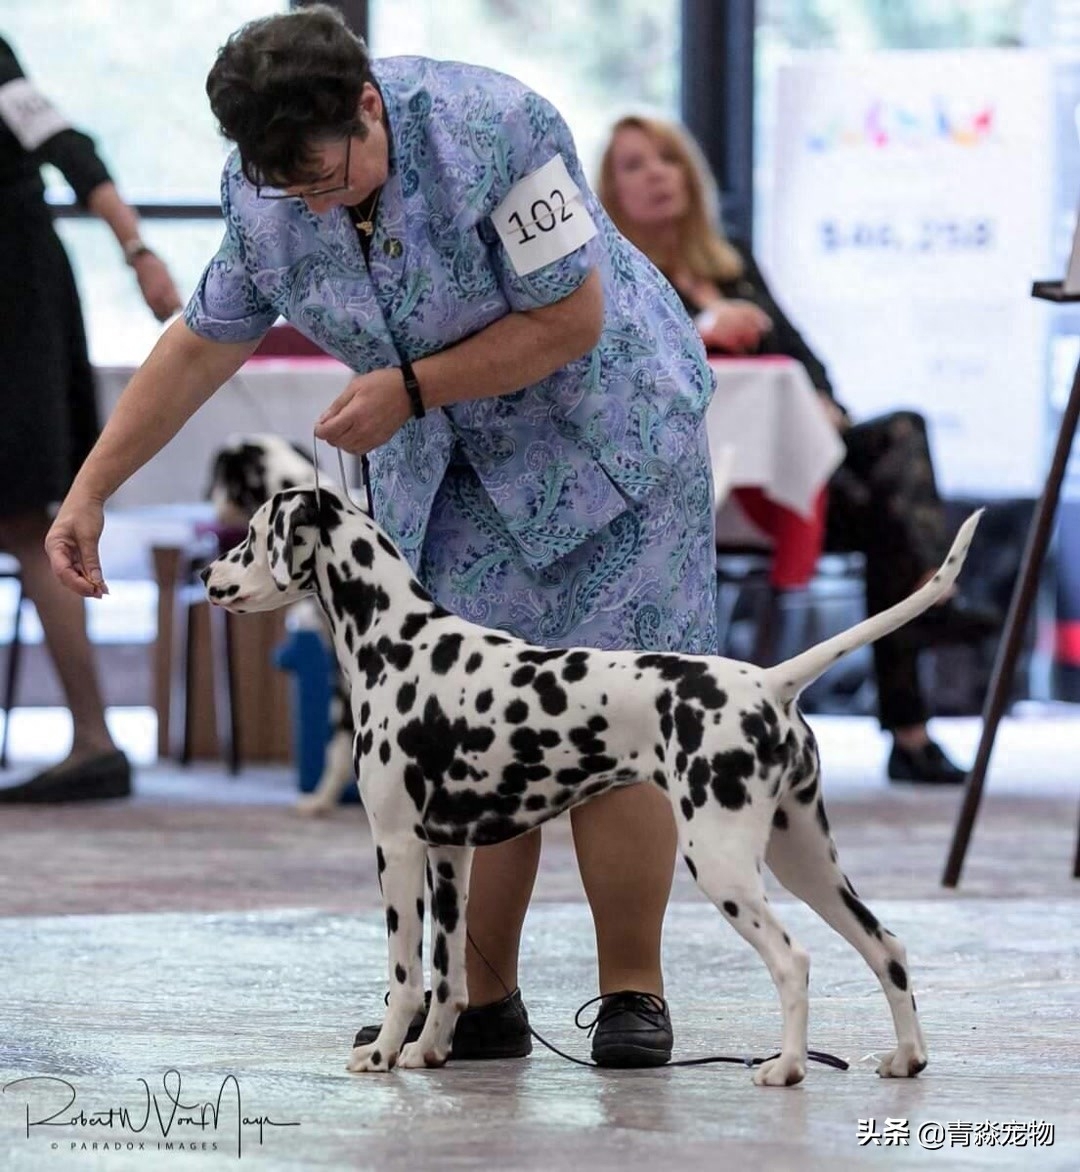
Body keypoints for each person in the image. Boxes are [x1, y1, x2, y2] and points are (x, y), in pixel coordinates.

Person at [43, 7, 718, 1066]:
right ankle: (476, 994)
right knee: (467, 728)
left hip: (606, 444)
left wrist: (410, 387)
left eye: (323, 172)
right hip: (451, 471)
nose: (310, 199)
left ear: (367, 106)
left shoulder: (498, 127)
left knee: (615, 712)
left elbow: (573, 318)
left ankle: (632, 988)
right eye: (285, 185)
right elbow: (199, 345)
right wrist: (88, 491)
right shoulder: (265, 197)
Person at [597, 114, 1000, 786]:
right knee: (892, 520)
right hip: (700, 493)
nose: (657, 174)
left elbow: (805, 362)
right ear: (610, 187)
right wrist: (703, 323)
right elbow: (618, 365)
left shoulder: (733, 264)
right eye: (635, 165)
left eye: (667, 158)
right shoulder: (612, 274)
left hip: (795, 475)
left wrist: (824, 401)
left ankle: (918, 676)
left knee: (900, 442)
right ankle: (917, 699)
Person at [0, 35, 182, 804]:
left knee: (21, 515)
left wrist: (138, 250)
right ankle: (96, 738)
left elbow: (71, 151)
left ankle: (97, 740)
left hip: (13, 302)